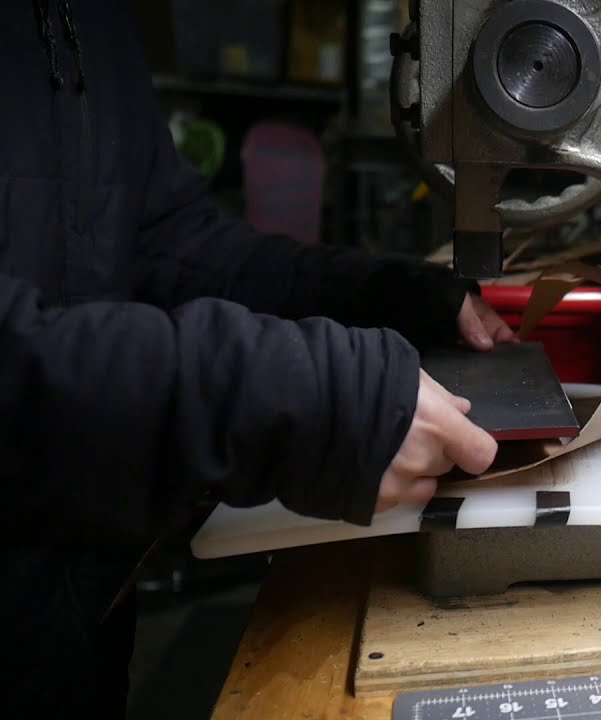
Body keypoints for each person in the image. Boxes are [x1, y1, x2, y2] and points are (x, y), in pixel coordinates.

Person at [0, 1, 517, 715]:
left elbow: (165, 243)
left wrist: (393, 296)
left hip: (73, 608)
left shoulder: (88, 13)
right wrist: (294, 396)